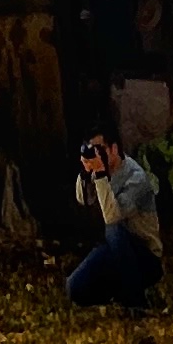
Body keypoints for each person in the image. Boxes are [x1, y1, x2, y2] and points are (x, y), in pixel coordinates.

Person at [64, 129, 163, 312]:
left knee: (114, 230)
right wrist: (86, 173)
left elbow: (112, 217)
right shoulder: (100, 170)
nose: (97, 154)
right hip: (114, 252)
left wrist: (100, 175)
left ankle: (137, 302)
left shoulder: (136, 178)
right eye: (92, 149)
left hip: (145, 257)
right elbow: (83, 200)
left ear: (114, 149)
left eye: (100, 149)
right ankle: (121, 295)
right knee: (74, 288)